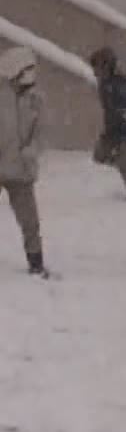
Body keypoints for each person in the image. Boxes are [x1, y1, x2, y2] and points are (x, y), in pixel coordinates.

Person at [0, 49, 47, 277]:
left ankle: (36, 263)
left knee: (30, 222)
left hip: (22, 171)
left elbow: (41, 133)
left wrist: (31, 151)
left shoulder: (36, 99)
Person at [88, 48, 126, 204]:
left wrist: (124, 132)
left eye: (97, 68)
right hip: (112, 128)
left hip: (124, 128)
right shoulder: (104, 83)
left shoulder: (119, 83)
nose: (94, 72)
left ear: (106, 67)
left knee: (122, 162)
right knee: (99, 155)